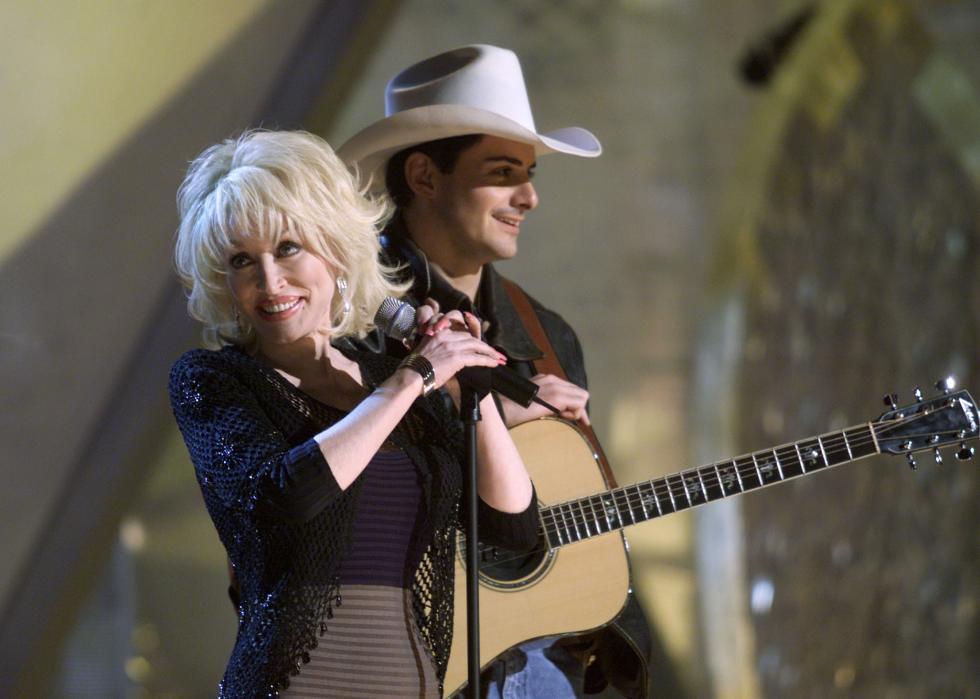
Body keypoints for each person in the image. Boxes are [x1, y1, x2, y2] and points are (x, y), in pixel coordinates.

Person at [168, 130, 540, 698]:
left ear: (336, 251)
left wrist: (471, 384)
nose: (270, 282)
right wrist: (415, 377)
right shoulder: (215, 381)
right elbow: (287, 496)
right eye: (243, 261)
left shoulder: (384, 376)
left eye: (289, 248)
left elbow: (513, 527)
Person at [338, 45, 657, 698]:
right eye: (504, 171)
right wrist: (488, 416)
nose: (530, 196)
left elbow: (578, 521)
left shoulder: (544, 333)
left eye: (530, 172)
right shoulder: (339, 317)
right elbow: (307, 506)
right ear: (425, 176)